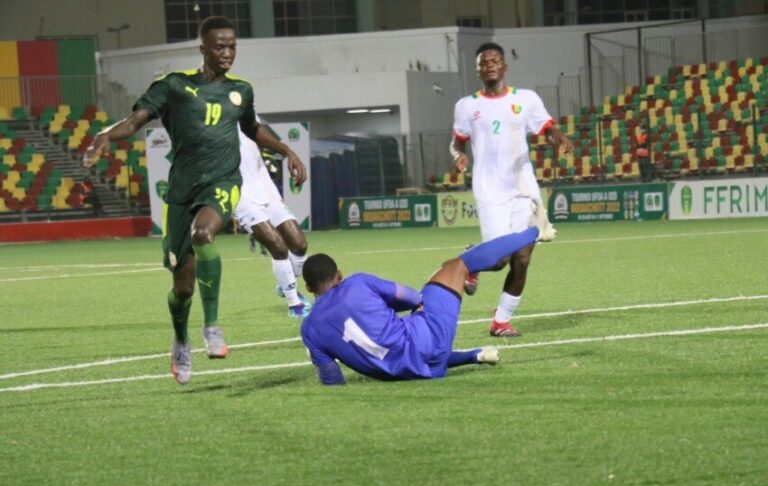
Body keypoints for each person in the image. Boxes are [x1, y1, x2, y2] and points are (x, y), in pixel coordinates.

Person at [83, 16, 307, 385]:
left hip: (223, 182)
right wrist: (107, 136)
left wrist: (287, 151)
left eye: (232, 46)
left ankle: (213, 327)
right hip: (183, 190)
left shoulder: (241, 91)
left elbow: (252, 128)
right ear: (202, 48)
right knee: (182, 287)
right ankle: (181, 339)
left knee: (205, 234)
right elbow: (135, 121)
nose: (227, 53)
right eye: (219, 47)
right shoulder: (173, 86)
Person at [300, 201, 555, 385]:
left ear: (309, 288)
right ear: (340, 275)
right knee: (457, 266)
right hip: (428, 342)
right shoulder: (356, 283)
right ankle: (536, 232)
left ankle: (475, 356)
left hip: (409, 372)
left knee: (406, 348)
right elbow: (413, 297)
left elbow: (332, 379)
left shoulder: (309, 329)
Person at [450, 42, 573, 338]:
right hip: (489, 189)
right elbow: (457, 141)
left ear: (504, 66)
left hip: (523, 188)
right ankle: (472, 260)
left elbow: (547, 126)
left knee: (523, 258)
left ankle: (500, 321)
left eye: (494, 60)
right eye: (483, 62)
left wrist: (558, 136)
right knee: (498, 259)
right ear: (478, 70)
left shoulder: (526, 99)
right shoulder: (467, 105)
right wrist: (458, 156)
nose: (489, 65)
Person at [234, 129, 312, 318]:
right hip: (238, 194)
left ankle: (286, 284)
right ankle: (295, 305)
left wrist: (289, 153)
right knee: (277, 246)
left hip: (266, 189)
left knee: (299, 245)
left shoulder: (241, 108)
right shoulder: (202, 117)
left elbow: (260, 133)